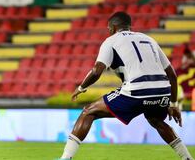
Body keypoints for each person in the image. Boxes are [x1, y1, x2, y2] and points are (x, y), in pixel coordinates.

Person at [58, 12, 194, 160]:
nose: (109, 31)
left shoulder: (110, 41)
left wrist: (81, 88)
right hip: (162, 91)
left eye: (109, 28)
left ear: (113, 27)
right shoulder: (149, 39)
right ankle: (187, 158)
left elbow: (97, 71)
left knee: (88, 112)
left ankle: (66, 158)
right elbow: (172, 75)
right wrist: (173, 104)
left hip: (136, 91)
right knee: (156, 119)